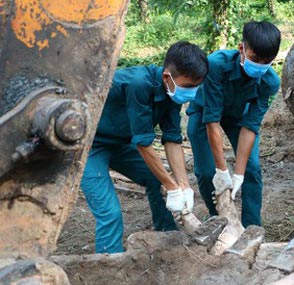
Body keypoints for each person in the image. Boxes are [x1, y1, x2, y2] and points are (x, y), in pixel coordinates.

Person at [81, 41, 208, 253]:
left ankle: (168, 235)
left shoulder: (172, 94)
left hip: (120, 143)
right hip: (90, 147)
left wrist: (183, 186)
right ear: (167, 77)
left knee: (154, 178)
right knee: (110, 214)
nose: (192, 93)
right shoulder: (138, 84)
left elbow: (172, 139)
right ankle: (108, 264)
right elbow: (143, 143)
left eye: (196, 87)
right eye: (188, 86)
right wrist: (171, 186)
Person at [187, 21, 280, 227]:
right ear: (242, 49)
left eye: (268, 62)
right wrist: (222, 171)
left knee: (252, 169)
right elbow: (212, 120)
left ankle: (251, 227)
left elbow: (250, 127)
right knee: (206, 172)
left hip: (238, 116)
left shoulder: (270, 82)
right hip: (205, 112)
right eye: (256, 59)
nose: (260, 66)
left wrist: (237, 174)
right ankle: (218, 220)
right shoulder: (216, 65)